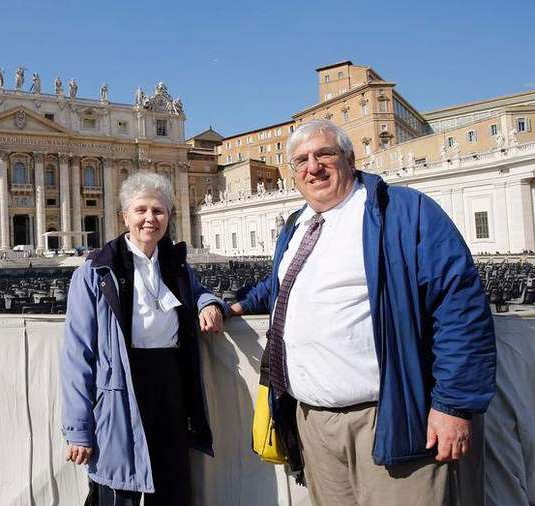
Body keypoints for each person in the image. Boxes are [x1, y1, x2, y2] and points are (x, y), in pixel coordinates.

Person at [230, 120, 495, 505]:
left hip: (391, 416)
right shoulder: (296, 226)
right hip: (313, 422)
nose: (313, 167)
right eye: (301, 160)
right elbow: (283, 286)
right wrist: (230, 305)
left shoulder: (404, 211)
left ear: (350, 160)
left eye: (325, 154)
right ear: (292, 174)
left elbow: (460, 306)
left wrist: (453, 406)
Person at [61, 171, 226, 505]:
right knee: (120, 486)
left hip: (172, 384)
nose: (150, 219)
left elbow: (198, 292)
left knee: (172, 482)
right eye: (141, 210)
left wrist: (209, 303)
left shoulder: (177, 266)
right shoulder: (94, 272)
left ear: (169, 217)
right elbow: (77, 354)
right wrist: (79, 430)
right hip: (120, 387)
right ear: (125, 216)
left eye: (159, 210)